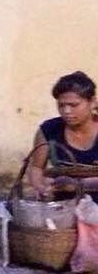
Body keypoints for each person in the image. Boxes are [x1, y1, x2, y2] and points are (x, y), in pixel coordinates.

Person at [28, 71, 98, 199]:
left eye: (74, 105)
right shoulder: (49, 130)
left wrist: (78, 185)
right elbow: (36, 167)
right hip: (65, 204)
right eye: (61, 105)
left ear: (92, 102)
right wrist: (40, 187)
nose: (66, 111)